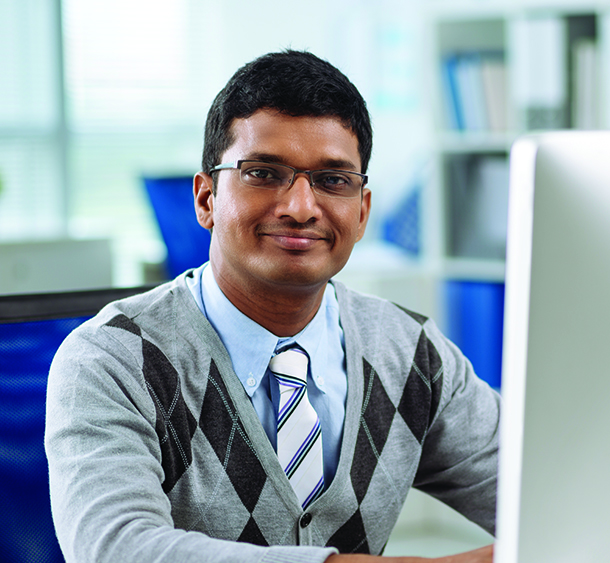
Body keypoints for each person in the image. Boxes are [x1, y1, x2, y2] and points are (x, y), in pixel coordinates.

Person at [44, 50, 499, 563]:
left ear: (363, 211)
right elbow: (116, 550)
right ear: (206, 198)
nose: (301, 208)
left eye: (333, 180)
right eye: (263, 173)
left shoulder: (412, 352)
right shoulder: (109, 361)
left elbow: (552, 496)